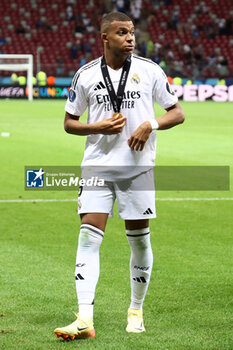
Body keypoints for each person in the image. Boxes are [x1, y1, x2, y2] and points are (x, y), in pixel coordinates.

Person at [54, 11, 185, 341]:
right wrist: (94, 126)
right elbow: (70, 122)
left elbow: (177, 112)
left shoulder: (149, 71)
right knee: (87, 237)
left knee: (139, 240)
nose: (130, 38)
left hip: (136, 169)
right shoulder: (84, 75)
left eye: (132, 32)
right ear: (105, 37)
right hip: (97, 167)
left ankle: (136, 310)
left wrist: (149, 124)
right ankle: (84, 318)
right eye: (122, 32)